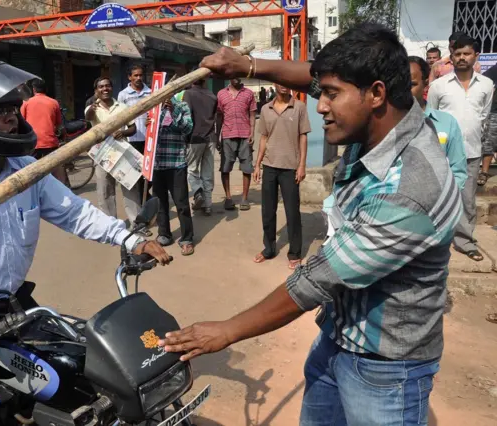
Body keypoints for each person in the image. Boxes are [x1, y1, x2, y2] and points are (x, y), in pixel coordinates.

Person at [160, 23, 462, 426]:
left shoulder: (409, 187)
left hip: (385, 370)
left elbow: (317, 280)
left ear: (376, 93)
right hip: (338, 334)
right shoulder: (381, 116)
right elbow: (313, 76)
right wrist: (248, 65)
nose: (320, 105)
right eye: (324, 92)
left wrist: (227, 330)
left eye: (331, 95)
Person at [0, 62, 171, 426]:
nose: (12, 117)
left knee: (73, 374)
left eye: (13, 109)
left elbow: (75, 212)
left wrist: (128, 238)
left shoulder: (26, 170)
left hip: (13, 303)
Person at [428, 34, 493, 262]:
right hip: (441, 153)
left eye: (467, 53)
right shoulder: (438, 85)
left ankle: (465, 241)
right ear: (451, 56)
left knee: (467, 200)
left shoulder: (486, 85)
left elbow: (483, 116)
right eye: (457, 54)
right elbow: (431, 117)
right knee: (435, 196)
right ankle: (433, 239)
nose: (462, 57)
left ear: (476, 56)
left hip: (471, 152)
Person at [253, 84, 310, 269]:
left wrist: (301, 165)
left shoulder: (299, 107)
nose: (284, 86)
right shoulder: (265, 109)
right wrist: (257, 164)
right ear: (275, 84)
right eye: (280, 82)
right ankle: (269, 249)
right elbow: (263, 138)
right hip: (269, 165)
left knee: (292, 212)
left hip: (290, 168)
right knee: (268, 211)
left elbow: (303, 136)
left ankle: (294, 253)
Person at [85, 77, 139, 224]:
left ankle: (136, 222)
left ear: (112, 88)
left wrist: (123, 132)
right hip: (101, 154)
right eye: (101, 87)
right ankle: (110, 224)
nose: (105, 89)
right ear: (96, 90)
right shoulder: (92, 108)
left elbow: (133, 128)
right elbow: (88, 118)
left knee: (130, 188)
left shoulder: (122, 107)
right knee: (105, 191)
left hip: (122, 152)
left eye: (107, 86)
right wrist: (92, 107)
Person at [408, 56, 467, 189]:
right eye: (399, 84)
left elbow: (458, 171)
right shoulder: (384, 124)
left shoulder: (446, 123)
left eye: (411, 84)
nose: (404, 90)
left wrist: (446, 197)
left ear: (425, 85)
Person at [151, 95, 195, 255]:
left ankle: (187, 239)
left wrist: (173, 112)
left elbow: (188, 128)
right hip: (157, 163)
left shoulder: (182, 106)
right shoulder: (153, 107)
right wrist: (149, 125)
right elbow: (148, 133)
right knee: (160, 203)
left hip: (176, 162)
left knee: (181, 203)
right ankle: (164, 234)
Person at [118, 64, 153, 234]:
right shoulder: (123, 95)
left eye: (140, 75)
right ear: (129, 77)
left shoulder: (150, 92)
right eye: (135, 75)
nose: (139, 78)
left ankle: (148, 203)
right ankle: (142, 214)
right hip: (132, 141)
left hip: (149, 141)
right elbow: (120, 118)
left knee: (149, 177)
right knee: (137, 180)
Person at [217, 77, 257, 211]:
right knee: (225, 168)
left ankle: (244, 198)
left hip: (245, 135)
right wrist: (217, 136)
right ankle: (228, 198)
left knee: (247, 168)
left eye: (239, 74)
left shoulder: (249, 93)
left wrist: (252, 133)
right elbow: (219, 116)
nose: (236, 78)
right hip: (227, 135)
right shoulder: (221, 94)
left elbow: (252, 114)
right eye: (233, 75)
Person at [19, 78, 68, 185]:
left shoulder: (26, 103)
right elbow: (59, 124)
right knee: (56, 171)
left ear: (33, 89)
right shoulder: (54, 102)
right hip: (50, 142)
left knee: (31, 172)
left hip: (33, 143)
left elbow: (21, 122)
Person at [183, 76, 217, 216]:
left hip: (194, 138)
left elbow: (187, 117)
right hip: (210, 137)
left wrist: (185, 138)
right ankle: (207, 205)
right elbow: (216, 117)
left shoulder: (188, 94)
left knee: (191, 170)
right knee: (208, 172)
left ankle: (198, 192)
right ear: (205, 80)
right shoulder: (212, 96)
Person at [479, 63, 497, 187]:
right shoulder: (496, 69)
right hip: (495, 111)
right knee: (489, 142)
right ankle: (484, 172)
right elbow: (483, 80)